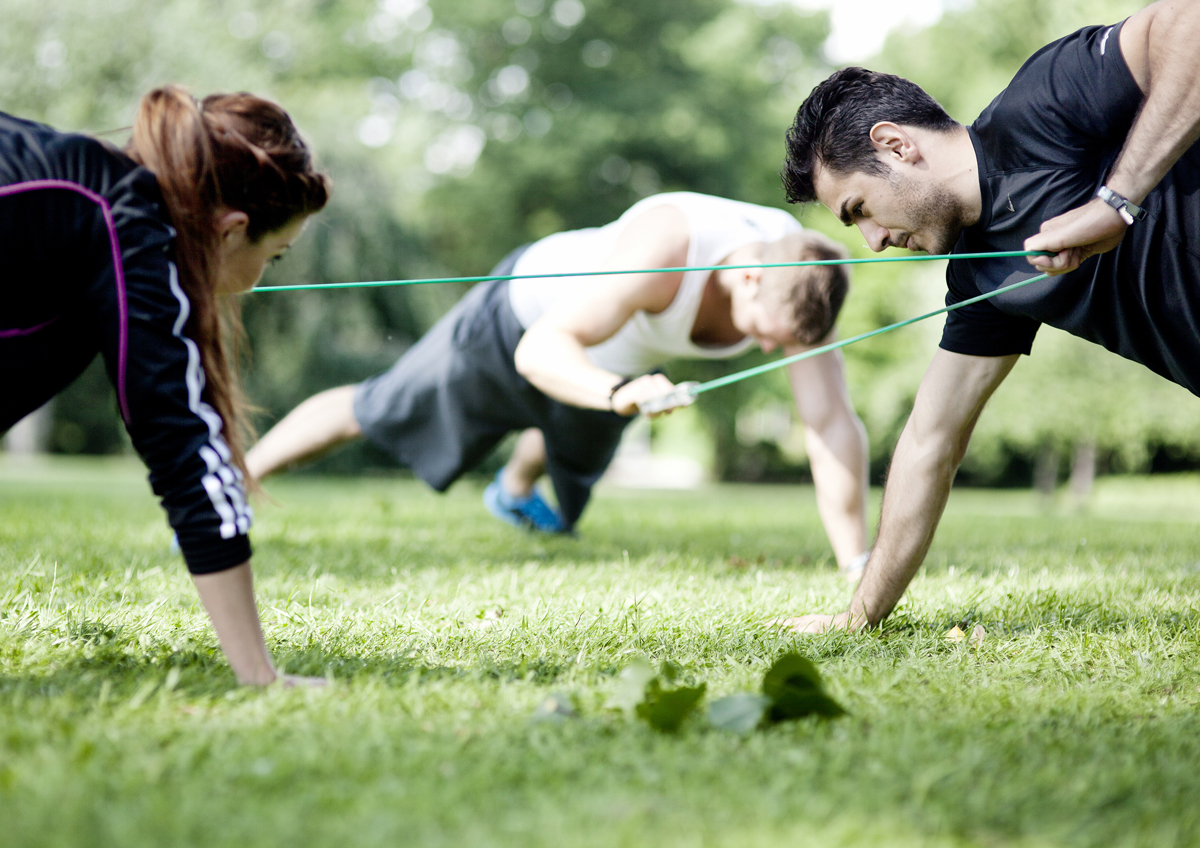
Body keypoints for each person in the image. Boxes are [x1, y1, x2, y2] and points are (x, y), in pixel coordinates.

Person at [777, 0, 1200, 631]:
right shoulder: (981, 280)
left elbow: (1190, 24)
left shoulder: (1041, 102)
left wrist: (1117, 200)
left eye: (859, 208)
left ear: (895, 145)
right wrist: (859, 616)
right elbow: (930, 441)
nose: (873, 240)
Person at [247, 192, 871, 577]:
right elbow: (540, 351)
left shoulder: (800, 280)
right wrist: (616, 394)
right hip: (523, 320)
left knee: (568, 480)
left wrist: (855, 564)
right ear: (751, 279)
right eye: (762, 334)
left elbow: (830, 423)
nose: (769, 349)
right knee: (378, 407)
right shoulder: (670, 247)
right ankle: (238, 478)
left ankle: (513, 489)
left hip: (612, 367)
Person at [1, 86, 331, 683]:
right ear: (231, 230)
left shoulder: (82, 187)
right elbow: (184, 447)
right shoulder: (122, 220)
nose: (262, 278)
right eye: (276, 256)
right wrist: (260, 676)